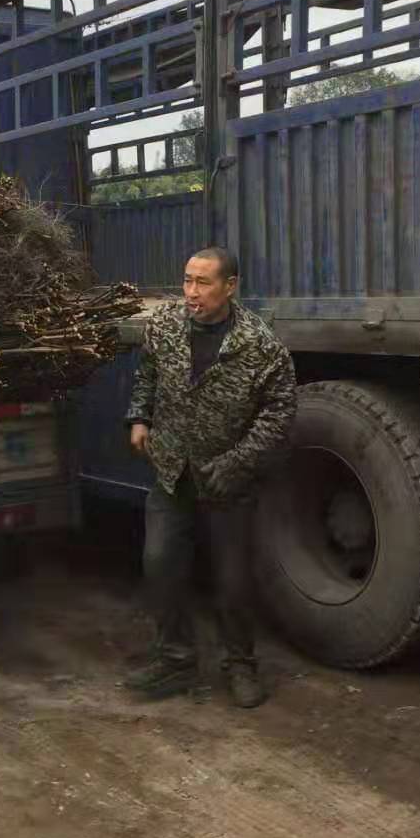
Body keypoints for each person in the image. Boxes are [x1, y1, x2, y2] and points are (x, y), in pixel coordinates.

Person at [124, 247, 296, 707]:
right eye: (186, 281)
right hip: (171, 470)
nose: (191, 292)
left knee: (232, 579)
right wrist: (139, 419)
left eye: (202, 283)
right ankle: (175, 660)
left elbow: (278, 415)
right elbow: (147, 375)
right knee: (159, 563)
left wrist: (236, 463)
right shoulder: (163, 326)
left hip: (226, 477)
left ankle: (240, 665)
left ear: (230, 286)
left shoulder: (260, 346)